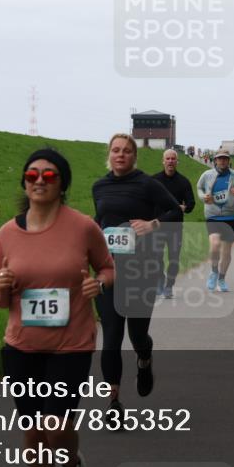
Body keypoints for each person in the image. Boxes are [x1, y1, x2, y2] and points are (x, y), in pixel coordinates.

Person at [0, 148, 115, 467]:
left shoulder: (82, 227)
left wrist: (99, 284)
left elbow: (108, 268)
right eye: (32, 175)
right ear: (24, 183)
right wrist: (3, 284)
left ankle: (73, 465)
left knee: (56, 426)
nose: (40, 181)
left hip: (71, 344)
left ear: (62, 184)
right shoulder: (6, 234)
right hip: (21, 346)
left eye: (49, 175)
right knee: (33, 432)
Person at [92, 134, 182, 424]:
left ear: (134, 156)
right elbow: (100, 221)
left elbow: (174, 212)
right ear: (109, 154)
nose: (121, 155)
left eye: (127, 151)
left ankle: (145, 360)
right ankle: (114, 402)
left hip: (142, 270)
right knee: (112, 337)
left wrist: (152, 224)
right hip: (109, 271)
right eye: (116, 150)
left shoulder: (147, 184)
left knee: (137, 335)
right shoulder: (100, 186)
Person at [195, 150, 234, 293]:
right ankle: (214, 272)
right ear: (215, 160)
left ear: (229, 161)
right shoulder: (207, 175)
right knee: (215, 245)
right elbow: (199, 187)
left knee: (226, 253)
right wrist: (203, 196)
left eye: (225, 159)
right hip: (213, 216)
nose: (222, 161)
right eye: (219, 159)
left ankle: (222, 278)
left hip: (230, 217)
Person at [152, 149, 196, 299]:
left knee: (174, 258)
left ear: (177, 162)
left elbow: (191, 203)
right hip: (157, 225)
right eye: (168, 159)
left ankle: (169, 286)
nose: (170, 161)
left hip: (175, 227)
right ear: (163, 161)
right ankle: (160, 279)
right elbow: (146, 201)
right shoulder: (154, 180)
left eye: (173, 159)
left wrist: (185, 207)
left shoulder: (183, 182)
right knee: (156, 257)